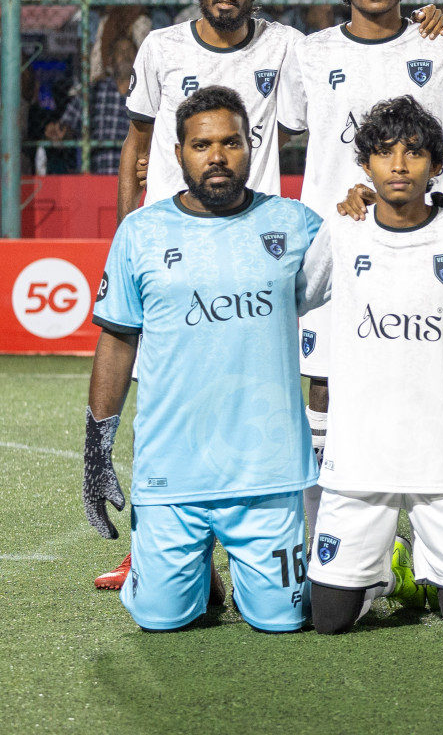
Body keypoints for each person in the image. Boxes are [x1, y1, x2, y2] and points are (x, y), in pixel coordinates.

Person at [83, 86, 321, 632]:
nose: (217, 156)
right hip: (173, 470)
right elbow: (118, 341)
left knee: (283, 621)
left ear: (251, 147)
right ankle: (194, 579)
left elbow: (375, 259)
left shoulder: (297, 225)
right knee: (160, 620)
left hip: (266, 471)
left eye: (231, 143)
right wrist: (97, 448)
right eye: (201, 144)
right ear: (178, 154)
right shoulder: (139, 232)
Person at [277, 0, 443, 539]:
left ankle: (421, 538)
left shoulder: (440, 44)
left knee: (420, 378)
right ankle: (323, 535)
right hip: (334, 247)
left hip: (422, 243)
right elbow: (282, 131)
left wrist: (427, 179)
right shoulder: (311, 53)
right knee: (326, 388)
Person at [299, 96, 443, 636]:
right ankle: (390, 573)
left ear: (437, 165)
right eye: (385, 153)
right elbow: (296, 295)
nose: (399, 165)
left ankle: (425, 574)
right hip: (358, 462)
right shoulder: (344, 230)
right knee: (327, 621)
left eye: (414, 153)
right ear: (365, 164)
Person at [117, 0, 303, 222]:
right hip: (170, 228)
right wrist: (123, 239)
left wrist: (407, 33)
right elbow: (137, 146)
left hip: (249, 227)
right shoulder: (160, 47)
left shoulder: (286, 45)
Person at [47, 36, 136, 173]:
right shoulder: (94, 90)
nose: (126, 55)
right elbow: (68, 124)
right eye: (120, 51)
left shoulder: (147, 93)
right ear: (110, 61)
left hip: (137, 178)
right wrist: (61, 131)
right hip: (100, 175)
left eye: (131, 51)